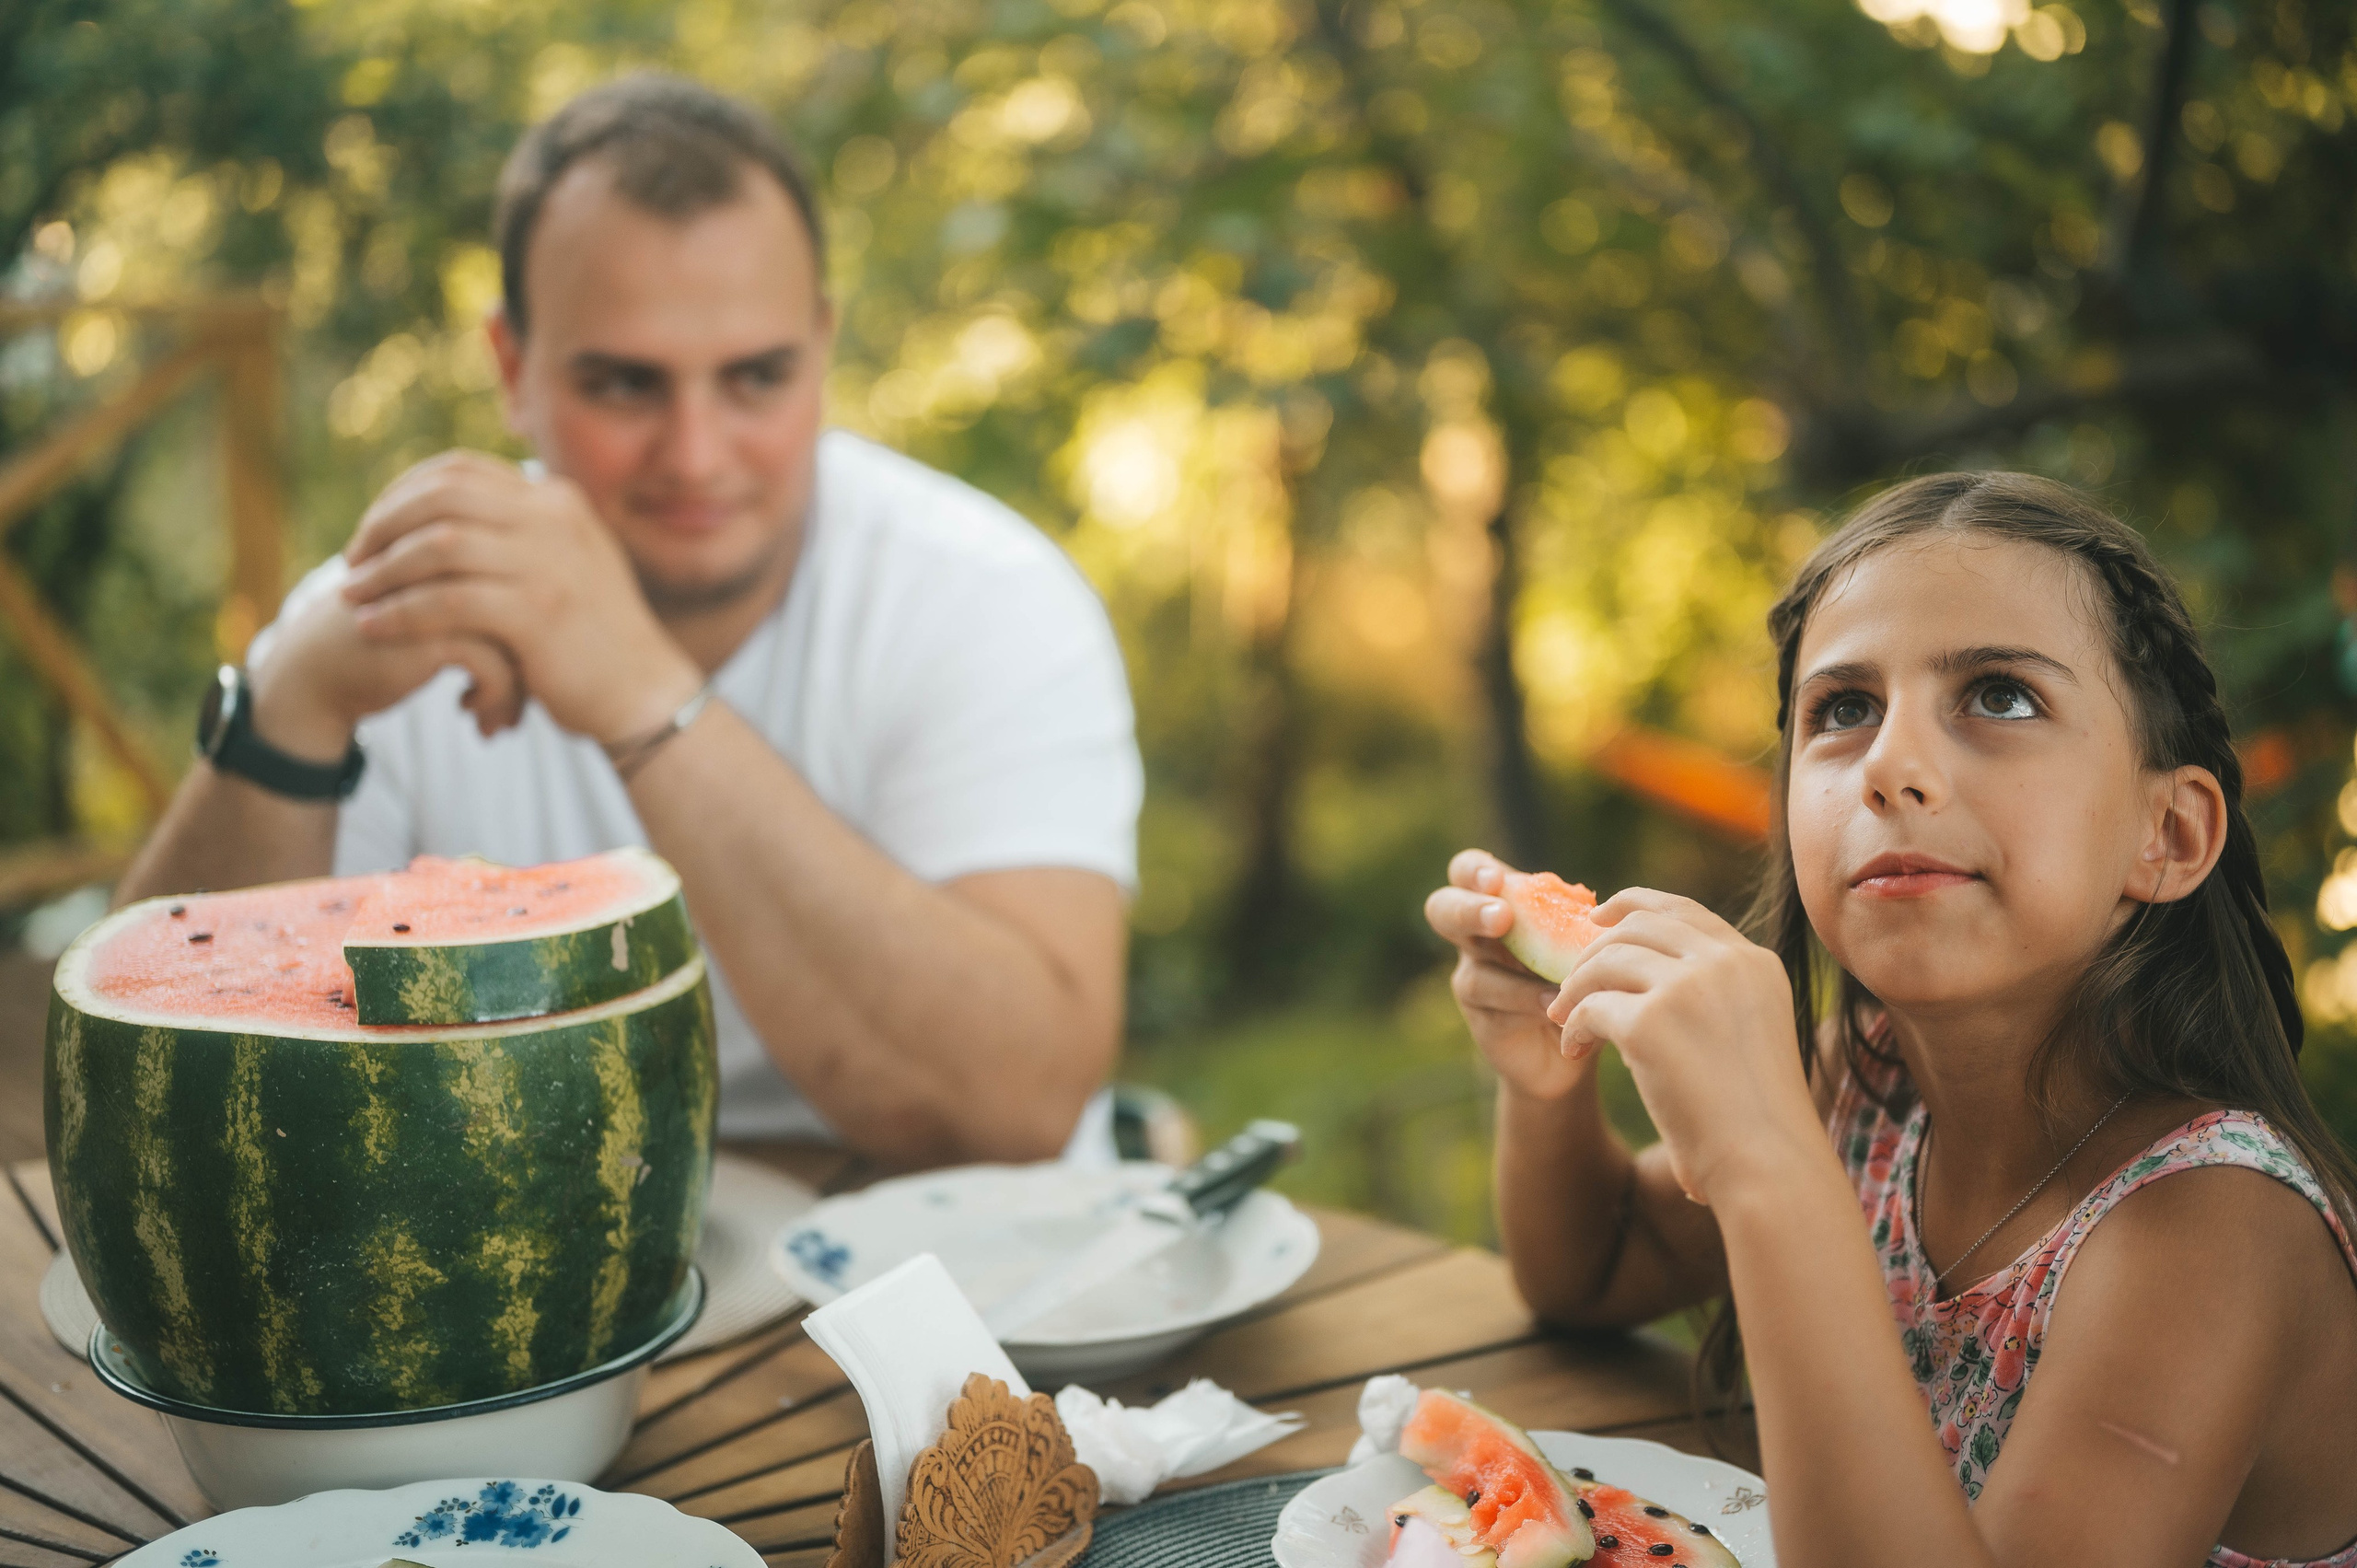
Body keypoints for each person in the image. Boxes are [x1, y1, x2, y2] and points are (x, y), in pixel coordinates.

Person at [118, 74, 1142, 1169]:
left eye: (756, 377)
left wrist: (646, 695)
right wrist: (291, 708)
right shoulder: (387, 613)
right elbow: (160, 1117)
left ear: (822, 348)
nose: (696, 455)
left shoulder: (985, 595)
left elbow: (1019, 1104)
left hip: (958, 1281)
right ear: (513, 369)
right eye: (624, 385)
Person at [1425, 473, 2357, 1563]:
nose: (1890, 766)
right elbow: (1588, 1271)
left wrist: (1766, 1160)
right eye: (1843, 709)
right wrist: (1549, 1085)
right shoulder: (1863, 1090)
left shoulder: (2213, 1226)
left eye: (1999, 695)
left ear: (2169, 834)